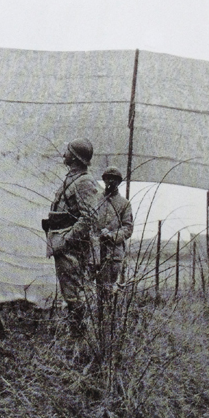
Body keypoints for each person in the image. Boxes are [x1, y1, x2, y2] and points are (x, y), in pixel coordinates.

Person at [44, 138, 99, 333]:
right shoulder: (73, 178)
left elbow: (89, 218)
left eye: (67, 151)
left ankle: (78, 340)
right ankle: (76, 336)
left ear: (75, 157)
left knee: (74, 295)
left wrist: (66, 240)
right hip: (63, 241)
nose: (64, 155)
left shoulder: (84, 182)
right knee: (70, 293)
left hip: (71, 247)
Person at [94, 166, 134, 302]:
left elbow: (128, 228)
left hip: (113, 252)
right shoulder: (96, 200)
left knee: (108, 289)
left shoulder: (124, 204)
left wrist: (111, 235)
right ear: (104, 180)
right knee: (92, 288)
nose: (110, 181)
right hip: (95, 250)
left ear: (119, 182)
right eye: (107, 178)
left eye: (114, 179)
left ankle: (108, 318)